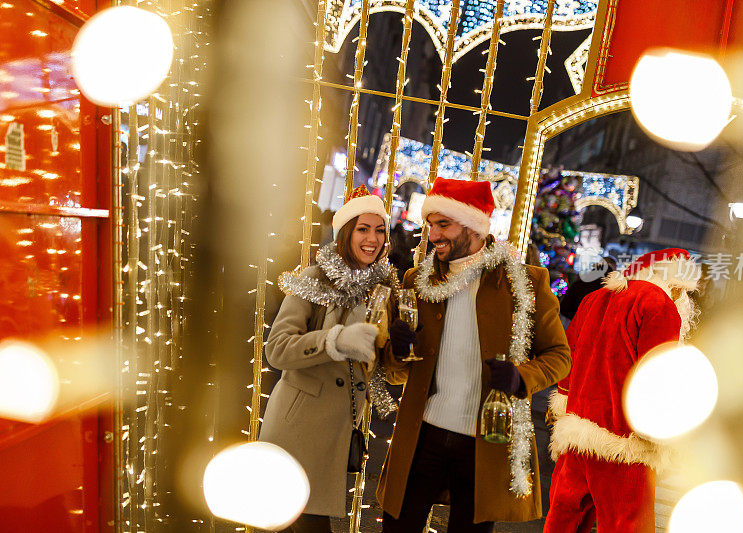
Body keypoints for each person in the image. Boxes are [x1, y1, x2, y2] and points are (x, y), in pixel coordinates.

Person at [377, 177, 572, 532]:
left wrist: (521, 377)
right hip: (422, 436)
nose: (433, 235)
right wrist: (398, 350)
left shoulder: (524, 284)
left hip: (486, 444)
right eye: (430, 224)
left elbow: (560, 355)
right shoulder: (416, 282)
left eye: (444, 224)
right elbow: (394, 371)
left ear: (475, 226)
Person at [258, 185, 392, 533]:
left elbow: (377, 363)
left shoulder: (381, 289)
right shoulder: (315, 278)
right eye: (363, 229)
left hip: (337, 428)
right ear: (346, 232)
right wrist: (335, 340)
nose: (372, 239)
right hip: (298, 427)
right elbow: (277, 349)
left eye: (380, 230)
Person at [544, 248, 701, 533]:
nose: (683, 299)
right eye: (682, 291)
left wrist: (564, 402)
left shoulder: (594, 298)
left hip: (576, 432)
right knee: (627, 525)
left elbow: (569, 358)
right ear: (674, 282)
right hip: (625, 444)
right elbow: (655, 377)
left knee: (564, 519)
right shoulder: (660, 305)